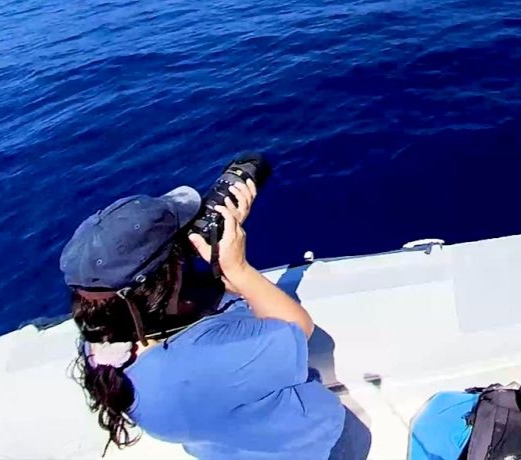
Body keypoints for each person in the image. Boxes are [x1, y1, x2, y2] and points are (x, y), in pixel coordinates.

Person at [61, 176, 365, 459]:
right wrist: (237, 268)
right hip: (315, 449)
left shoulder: (100, 342)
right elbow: (297, 328)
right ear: (169, 277)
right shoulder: (201, 362)